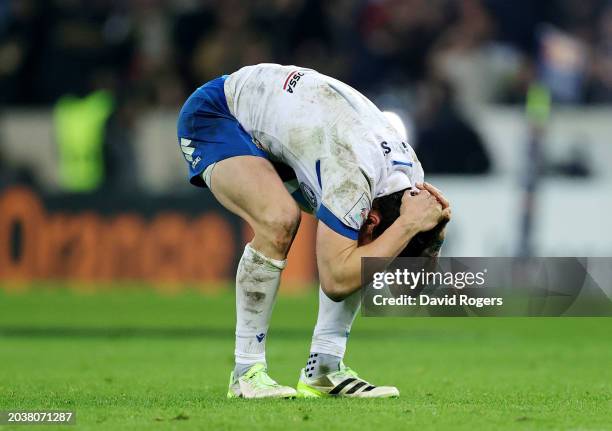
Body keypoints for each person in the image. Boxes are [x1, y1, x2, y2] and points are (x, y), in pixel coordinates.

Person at [176, 64, 451, 399]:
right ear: (374, 221)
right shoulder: (354, 175)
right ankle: (245, 373)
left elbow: (409, 290)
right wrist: (407, 226)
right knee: (279, 220)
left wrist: (434, 233)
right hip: (220, 113)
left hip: (295, 131)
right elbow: (336, 279)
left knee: (351, 250)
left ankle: (324, 369)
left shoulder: (411, 183)